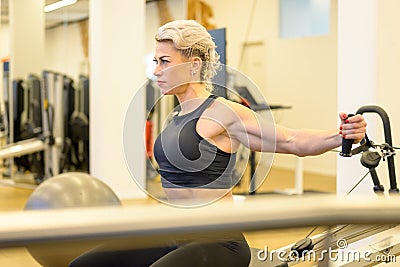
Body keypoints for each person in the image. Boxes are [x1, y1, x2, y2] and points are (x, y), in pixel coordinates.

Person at [69, 20, 366, 267]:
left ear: (194, 65)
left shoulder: (222, 111)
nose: (157, 70)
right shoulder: (174, 115)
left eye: (164, 62)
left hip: (218, 241)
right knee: (83, 265)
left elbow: (291, 139)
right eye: (155, 62)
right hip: (173, 232)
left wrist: (340, 134)